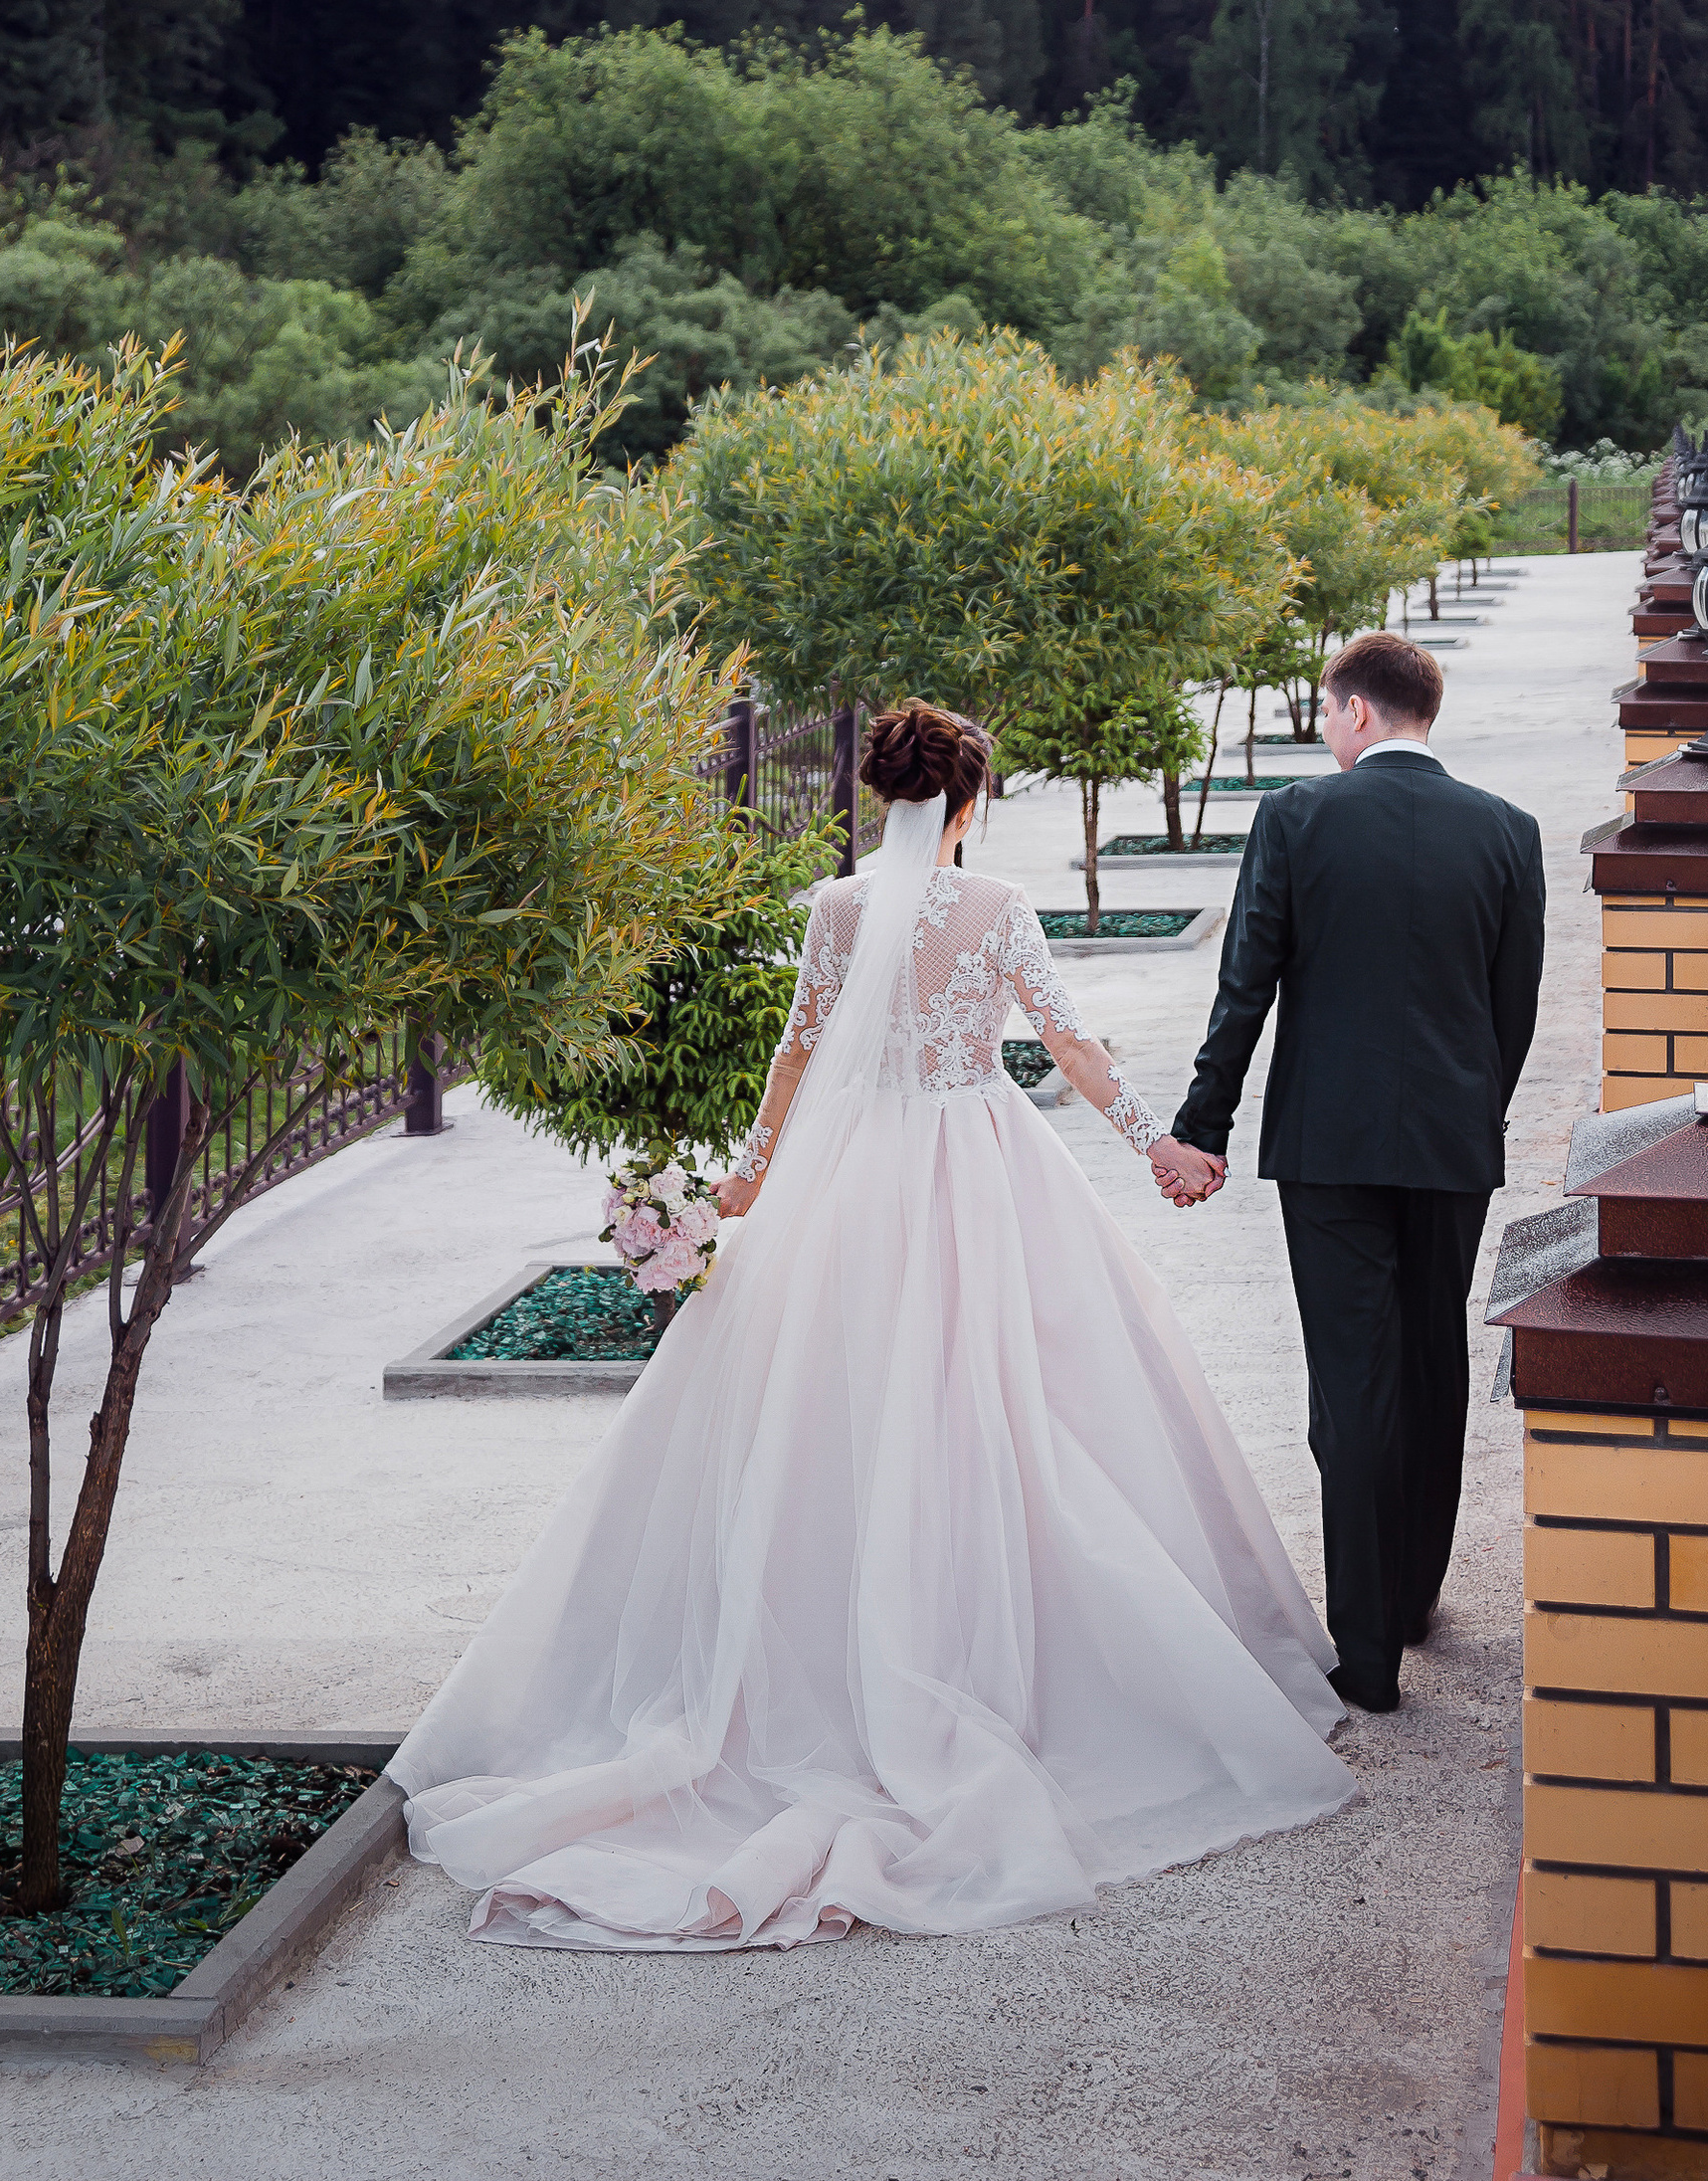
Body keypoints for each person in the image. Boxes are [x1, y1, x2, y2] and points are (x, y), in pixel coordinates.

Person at [391, 698, 1355, 1950]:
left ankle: (817, 1659)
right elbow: (1065, 1038)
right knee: (1011, 1404)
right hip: (977, 1163)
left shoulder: (834, 909)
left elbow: (797, 1055)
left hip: (853, 1178)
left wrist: (743, 1181)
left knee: (832, 1411)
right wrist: (1155, 1145)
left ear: (874, 794)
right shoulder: (996, 907)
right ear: (968, 802)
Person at [1147, 630, 1545, 1716]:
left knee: (1351, 1382)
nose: (1326, 732)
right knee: (1429, 1360)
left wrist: (1203, 1125)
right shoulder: (1509, 833)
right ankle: (1415, 1593)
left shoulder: (1296, 818)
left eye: (1328, 714)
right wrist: (1468, 1113)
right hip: (1452, 1146)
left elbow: (1247, 986)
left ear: (1357, 712)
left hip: (1329, 1146)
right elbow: (1512, 1013)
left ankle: (1366, 1651)